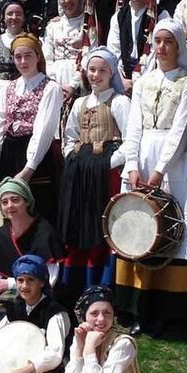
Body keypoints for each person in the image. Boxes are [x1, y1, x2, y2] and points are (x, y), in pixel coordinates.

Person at [117, 19, 187, 336]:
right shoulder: (143, 82)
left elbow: (181, 130)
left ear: (178, 45)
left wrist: (159, 169)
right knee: (138, 228)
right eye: (157, 41)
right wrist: (133, 164)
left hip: (171, 162)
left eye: (168, 41)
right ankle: (136, 307)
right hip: (142, 156)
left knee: (169, 225)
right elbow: (133, 126)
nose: (162, 47)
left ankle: (170, 310)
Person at [57, 48, 129, 298]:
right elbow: (70, 136)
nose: (96, 75)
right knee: (79, 223)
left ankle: (102, 284)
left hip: (105, 174)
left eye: (102, 70)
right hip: (80, 173)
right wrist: (72, 157)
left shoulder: (119, 102)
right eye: (92, 70)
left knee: (101, 225)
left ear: (111, 73)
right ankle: (75, 285)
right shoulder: (79, 103)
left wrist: (108, 163)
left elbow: (130, 140)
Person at [0, 34, 62, 223]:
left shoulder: (50, 88)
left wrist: (28, 169)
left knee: (36, 209)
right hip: (9, 153)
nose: (23, 61)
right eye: (18, 57)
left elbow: (44, 130)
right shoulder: (7, 88)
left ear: (38, 57)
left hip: (35, 156)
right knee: (8, 213)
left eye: (28, 56)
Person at [0, 178, 64, 304]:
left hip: (39, 299)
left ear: (27, 202)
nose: (10, 206)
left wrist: (9, 284)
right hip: (7, 298)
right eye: (4, 202)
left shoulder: (45, 233)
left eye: (15, 200)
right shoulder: (2, 234)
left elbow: (49, 280)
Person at [56, 286, 148, 373]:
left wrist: (89, 349)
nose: (101, 319)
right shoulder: (82, 335)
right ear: (84, 316)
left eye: (107, 313)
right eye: (94, 313)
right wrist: (80, 348)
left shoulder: (123, 344)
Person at [107, 0, 170, 91]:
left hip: (152, 79)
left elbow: (159, 52)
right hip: (124, 80)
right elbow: (113, 52)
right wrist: (122, 81)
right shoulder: (118, 17)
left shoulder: (161, 15)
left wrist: (141, 81)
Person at [43, 0, 93, 101]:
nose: (67, 0)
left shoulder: (89, 24)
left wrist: (73, 85)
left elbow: (89, 56)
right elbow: (47, 57)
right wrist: (53, 82)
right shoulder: (53, 26)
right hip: (54, 79)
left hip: (80, 78)